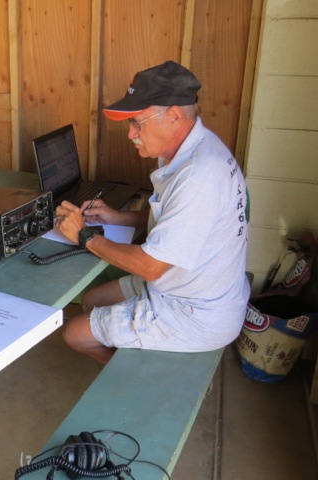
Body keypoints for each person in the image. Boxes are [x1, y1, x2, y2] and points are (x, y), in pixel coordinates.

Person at [54, 60, 250, 364]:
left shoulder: (198, 177)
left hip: (195, 313)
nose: (131, 134)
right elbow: (176, 222)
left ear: (173, 116)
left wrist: (84, 235)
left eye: (137, 123)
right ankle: (133, 353)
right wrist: (117, 217)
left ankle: (137, 378)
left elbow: (150, 267)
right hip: (186, 286)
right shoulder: (194, 148)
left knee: (74, 334)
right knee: (92, 300)